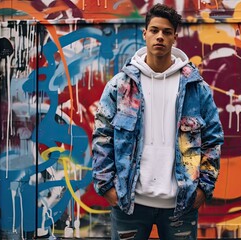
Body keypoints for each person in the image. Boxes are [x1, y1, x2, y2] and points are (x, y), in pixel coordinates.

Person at [91, 3, 224, 240]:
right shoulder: (122, 85)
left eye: (166, 32)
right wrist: (107, 187)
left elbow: (213, 138)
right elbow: (102, 135)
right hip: (129, 203)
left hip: (180, 203)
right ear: (145, 34)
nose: (159, 37)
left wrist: (204, 187)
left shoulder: (196, 87)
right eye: (154, 30)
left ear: (174, 37)